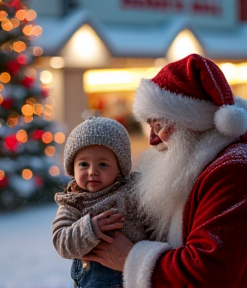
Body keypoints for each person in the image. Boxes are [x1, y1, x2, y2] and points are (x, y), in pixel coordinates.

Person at [81, 54, 247, 288]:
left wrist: (129, 257)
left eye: (159, 126)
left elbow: (212, 272)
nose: (152, 139)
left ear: (192, 122)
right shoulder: (200, 166)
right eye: (149, 126)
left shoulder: (233, 171)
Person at [52, 117, 148, 288]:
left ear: (120, 168)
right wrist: (90, 229)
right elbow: (61, 240)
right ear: (72, 168)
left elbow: (155, 227)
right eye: (83, 164)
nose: (92, 172)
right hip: (93, 279)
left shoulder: (133, 193)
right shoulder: (74, 202)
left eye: (103, 164)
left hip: (133, 276)